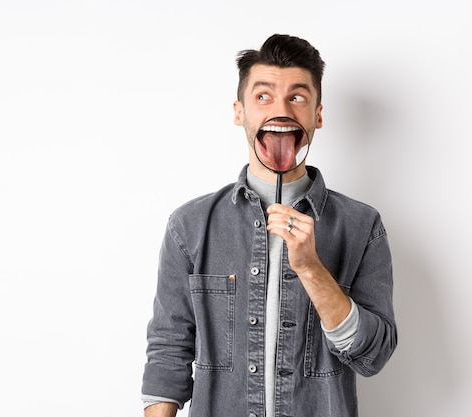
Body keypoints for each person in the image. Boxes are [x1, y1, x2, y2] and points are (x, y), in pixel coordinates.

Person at [141, 34, 397, 417]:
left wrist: (311, 268)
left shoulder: (362, 227)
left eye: (297, 97)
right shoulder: (190, 225)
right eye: (263, 97)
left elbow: (372, 355)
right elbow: (169, 349)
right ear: (239, 111)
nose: (281, 111)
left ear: (318, 115)